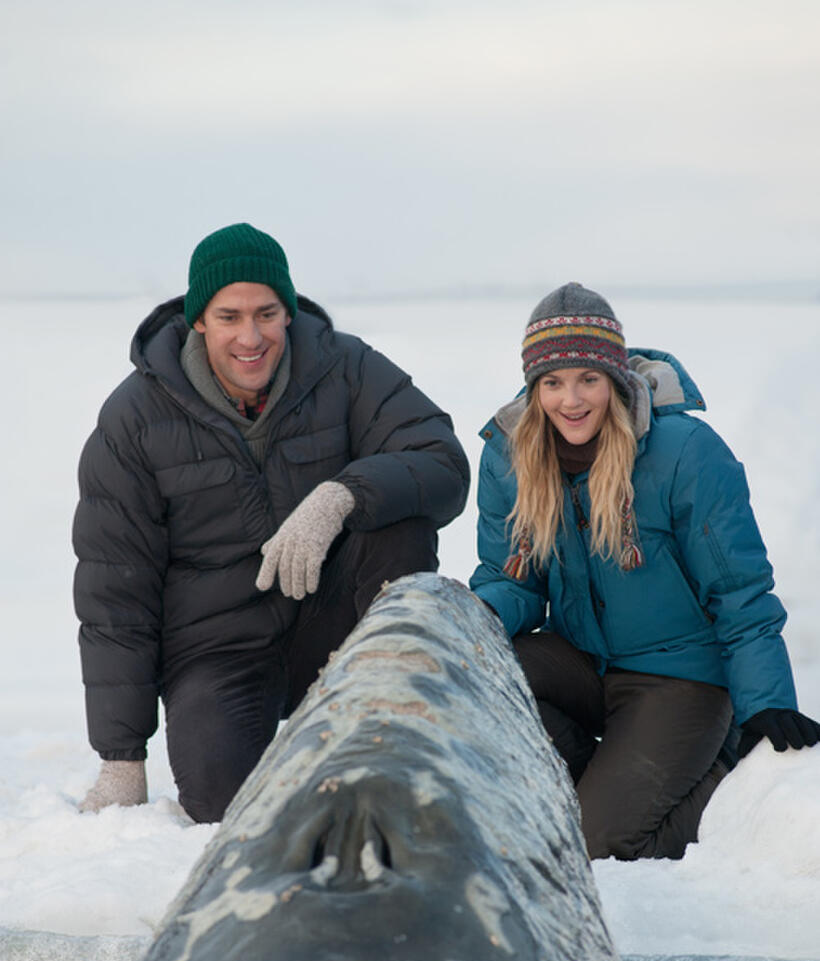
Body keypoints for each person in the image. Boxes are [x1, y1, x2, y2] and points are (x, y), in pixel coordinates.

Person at [74, 222, 469, 823]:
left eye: (267, 313)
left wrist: (341, 495)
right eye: (229, 316)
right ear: (198, 318)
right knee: (219, 808)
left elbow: (441, 461)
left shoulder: (346, 368)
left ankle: (391, 713)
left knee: (396, 516)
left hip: (337, 623)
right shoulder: (134, 418)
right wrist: (121, 755)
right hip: (217, 646)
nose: (251, 337)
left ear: (289, 312)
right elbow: (114, 588)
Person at [470, 282, 819, 861]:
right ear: (534, 387)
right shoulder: (513, 453)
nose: (571, 400)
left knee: (597, 844)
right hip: (583, 660)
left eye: (588, 379)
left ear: (616, 379)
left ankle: (723, 780)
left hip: (679, 678)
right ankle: (594, 776)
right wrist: (476, 615)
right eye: (552, 383)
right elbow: (512, 579)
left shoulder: (684, 452)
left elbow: (738, 592)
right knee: (484, 675)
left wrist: (765, 700)